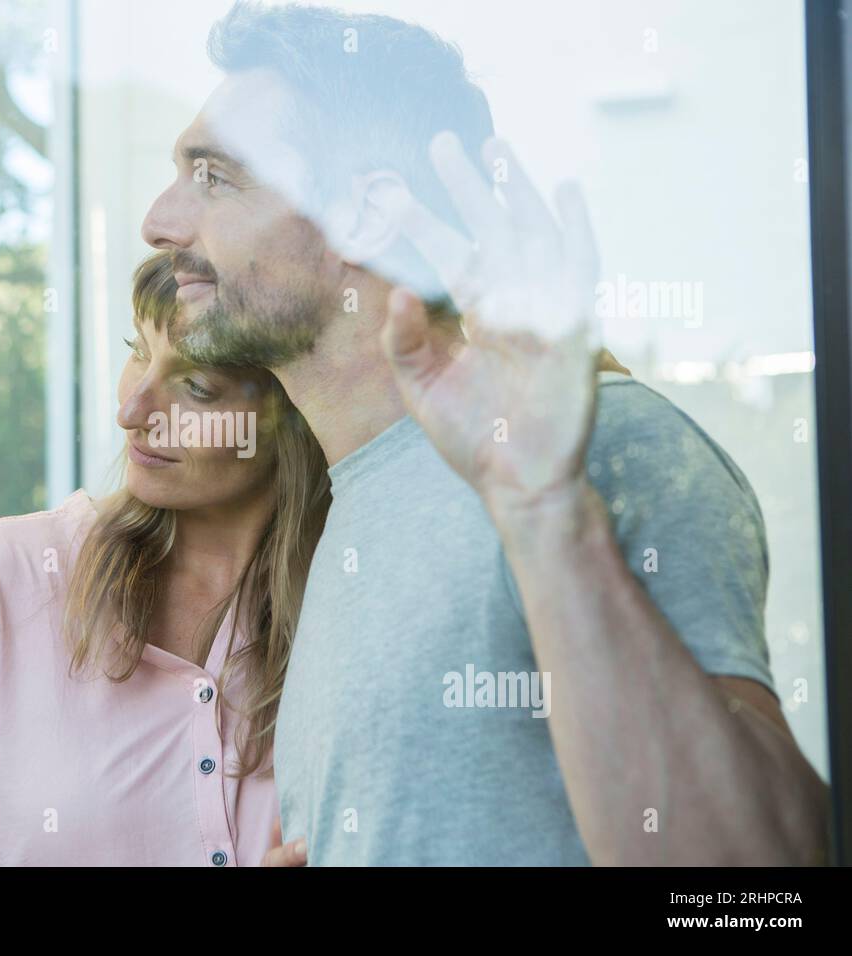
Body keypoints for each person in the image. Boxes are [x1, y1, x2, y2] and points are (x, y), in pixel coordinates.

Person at [141, 0, 828, 865]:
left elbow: (761, 887)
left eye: (215, 177)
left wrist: (546, 512)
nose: (160, 220)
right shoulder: (347, 508)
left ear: (367, 214)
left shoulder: (605, 447)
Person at [0, 251, 329, 865]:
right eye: (138, 350)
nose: (131, 413)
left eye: (196, 387)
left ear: (290, 415)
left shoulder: (350, 607)